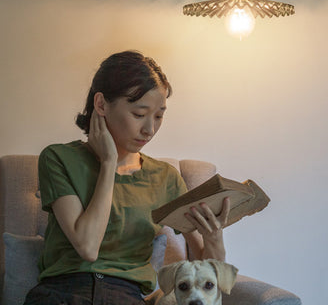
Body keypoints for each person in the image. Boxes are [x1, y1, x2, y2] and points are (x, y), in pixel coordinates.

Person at [23, 50, 230, 305]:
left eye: (159, 115)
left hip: (125, 297)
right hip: (62, 293)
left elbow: (206, 269)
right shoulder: (58, 158)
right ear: (101, 105)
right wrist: (109, 163)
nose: (150, 129)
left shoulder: (165, 178)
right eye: (139, 114)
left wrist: (214, 238)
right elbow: (87, 248)